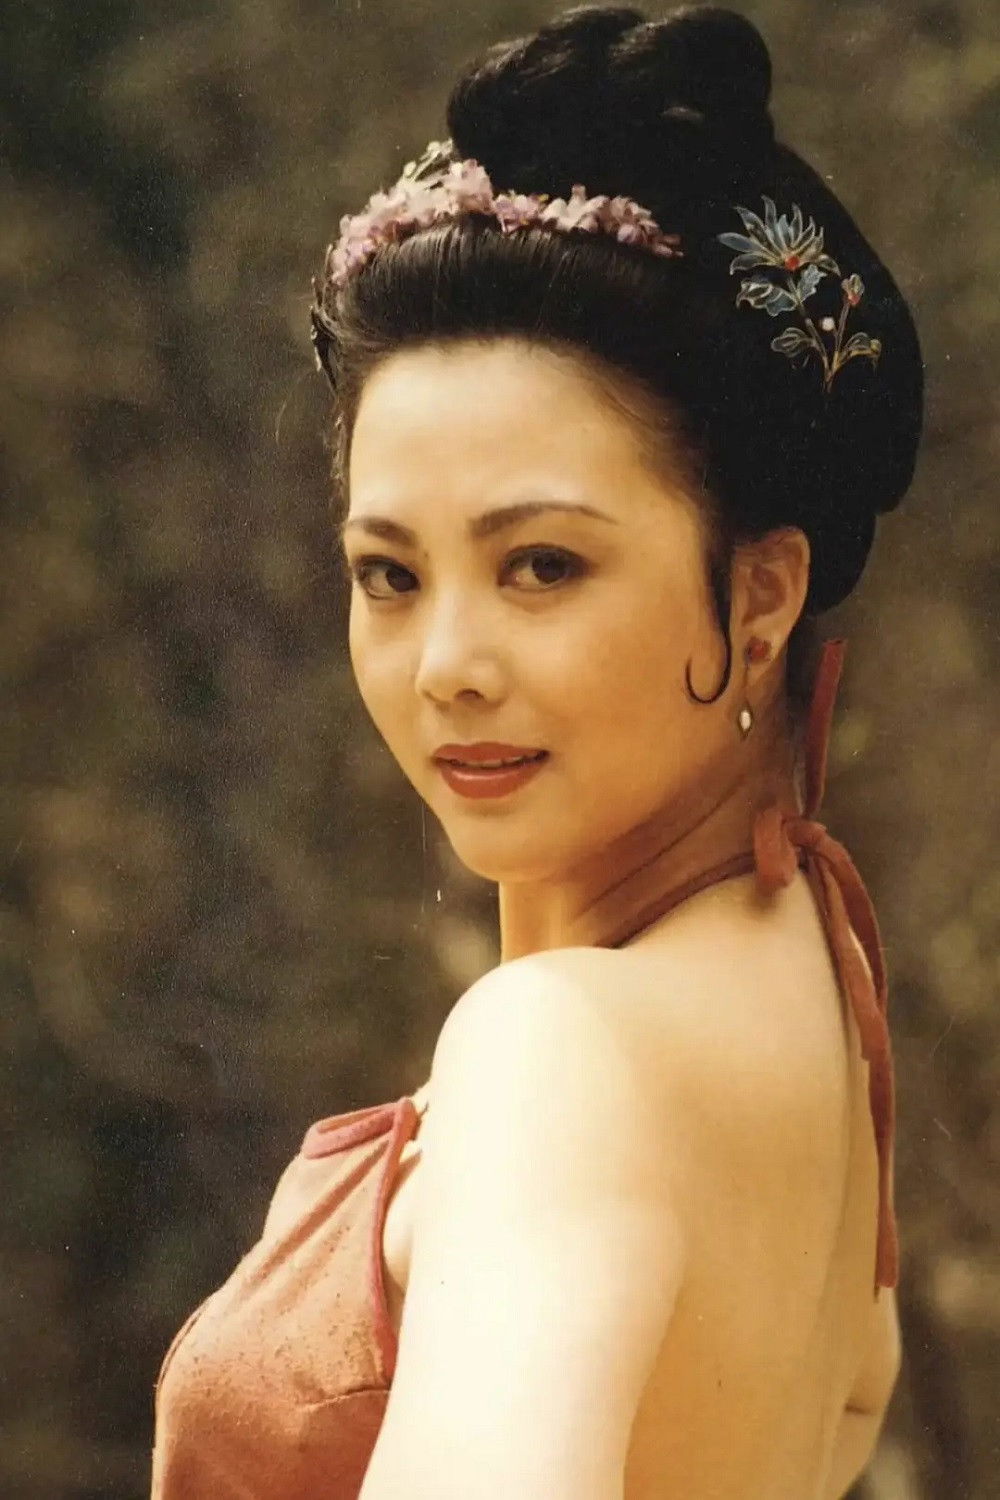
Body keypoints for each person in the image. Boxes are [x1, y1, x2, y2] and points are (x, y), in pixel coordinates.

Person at [149, 5, 924, 1498]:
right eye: (389, 573)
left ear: (761, 593)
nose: (446, 664)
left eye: (543, 566)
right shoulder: (818, 989)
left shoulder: (563, 1053)